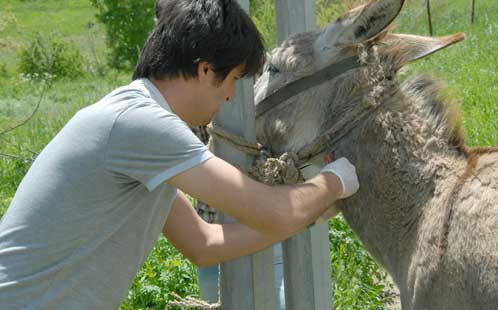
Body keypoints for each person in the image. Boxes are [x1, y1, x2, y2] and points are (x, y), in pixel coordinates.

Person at [0, 0, 359, 309]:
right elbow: (270, 211)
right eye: (234, 79)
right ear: (205, 69)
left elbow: (202, 243)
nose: (232, 96)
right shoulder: (141, 124)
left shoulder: (135, 126)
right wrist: (336, 180)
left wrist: (308, 212)